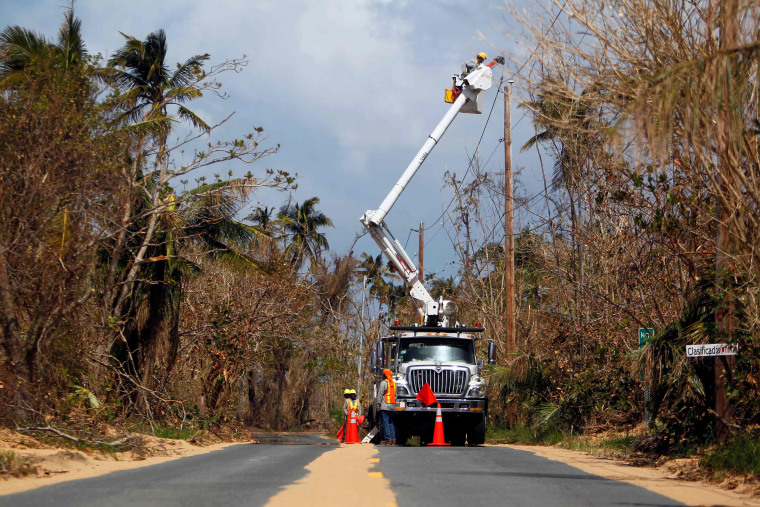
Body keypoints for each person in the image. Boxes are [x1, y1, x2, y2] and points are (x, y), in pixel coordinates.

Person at [377, 369, 397, 446]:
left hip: (385, 405)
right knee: (390, 423)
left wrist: (378, 405)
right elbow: (396, 395)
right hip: (392, 406)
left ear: (385, 375)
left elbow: (380, 395)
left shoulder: (383, 383)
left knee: (385, 422)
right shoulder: (394, 384)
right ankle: (393, 439)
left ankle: (388, 439)